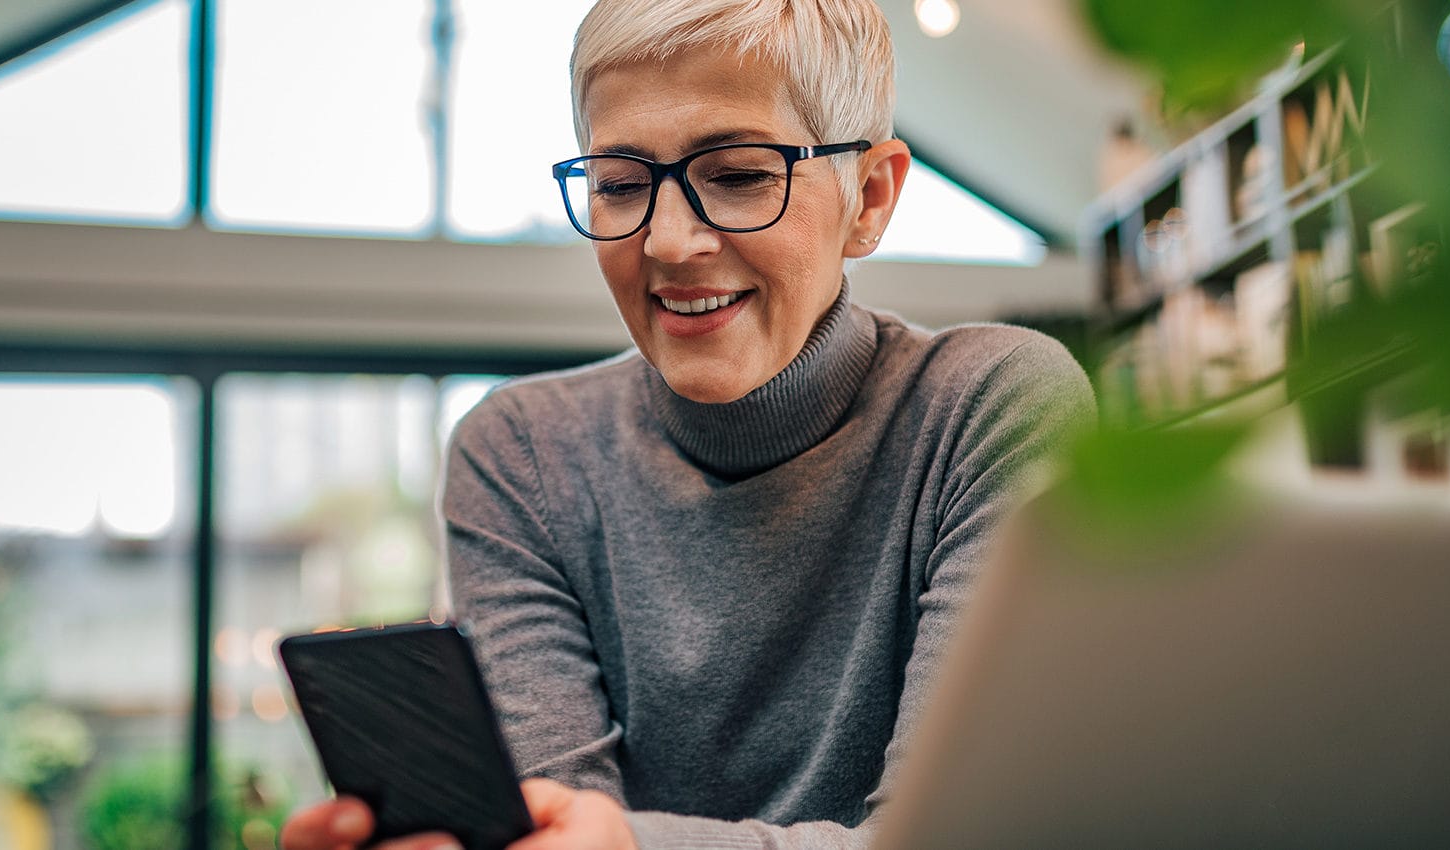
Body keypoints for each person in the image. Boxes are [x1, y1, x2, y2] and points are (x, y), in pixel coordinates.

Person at [282, 1, 1094, 848]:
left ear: (870, 197)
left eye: (740, 174)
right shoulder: (522, 452)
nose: (669, 242)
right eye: (621, 185)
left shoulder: (989, 406)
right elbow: (551, 830)